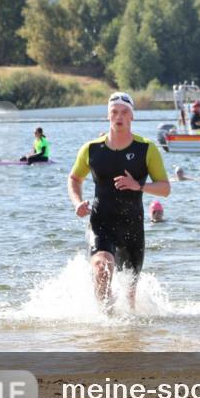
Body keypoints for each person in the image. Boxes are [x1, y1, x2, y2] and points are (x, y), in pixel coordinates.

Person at [68, 92, 171, 313]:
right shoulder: (92, 149)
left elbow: (165, 188)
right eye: (114, 112)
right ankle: (105, 324)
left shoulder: (146, 149)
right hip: (101, 222)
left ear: (132, 116)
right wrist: (77, 202)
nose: (119, 117)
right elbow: (75, 179)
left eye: (124, 112)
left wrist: (139, 186)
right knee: (102, 269)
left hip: (132, 226)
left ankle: (126, 339)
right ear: (108, 116)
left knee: (129, 295)